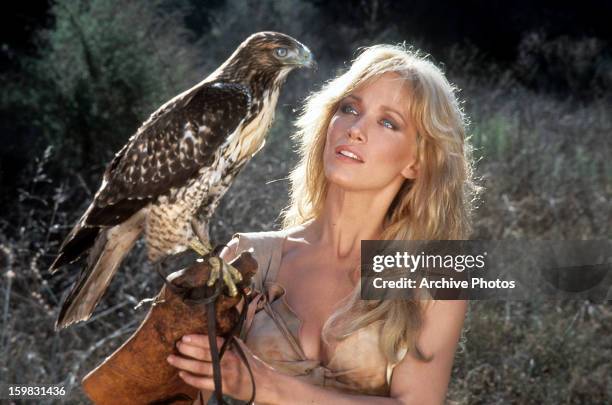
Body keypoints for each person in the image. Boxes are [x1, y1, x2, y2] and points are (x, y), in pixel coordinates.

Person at [166, 43, 478, 404]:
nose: (356, 129)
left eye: (388, 122)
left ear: (417, 163)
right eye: (349, 108)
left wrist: (267, 385)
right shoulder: (248, 258)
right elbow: (191, 392)